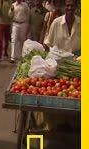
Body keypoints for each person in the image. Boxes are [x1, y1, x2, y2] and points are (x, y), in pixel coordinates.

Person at [35, 0, 80, 131]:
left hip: (77, 67)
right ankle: (51, 124)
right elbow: (48, 44)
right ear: (64, 7)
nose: (70, 8)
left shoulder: (82, 23)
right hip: (57, 67)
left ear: (76, 7)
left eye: (72, 5)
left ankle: (74, 123)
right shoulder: (56, 23)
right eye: (67, 5)